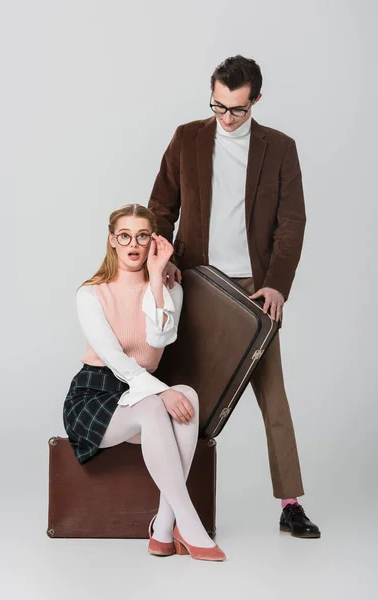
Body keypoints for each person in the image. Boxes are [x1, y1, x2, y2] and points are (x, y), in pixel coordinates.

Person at [148, 55, 320, 539]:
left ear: (256, 101)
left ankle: (290, 504)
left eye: (237, 110)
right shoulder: (187, 137)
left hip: (253, 293)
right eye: (218, 106)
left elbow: (293, 222)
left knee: (273, 396)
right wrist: (166, 263)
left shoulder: (280, 148)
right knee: (182, 391)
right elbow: (161, 206)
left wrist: (277, 285)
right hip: (195, 281)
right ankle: (175, 502)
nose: (226, 118)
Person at [62, 203, 226, 561]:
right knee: (160, 401)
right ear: (112, 241)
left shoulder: (170, 291)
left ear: (153, 242)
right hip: (95, 395)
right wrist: (159, 390)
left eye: (142, 236)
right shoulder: (90, 293)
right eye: (125, 236)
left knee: (189, 397)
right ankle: (189, 522)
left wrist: (155, 280)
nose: (133, 244)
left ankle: (164, 529)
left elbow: (156, 347)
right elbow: (115, 359)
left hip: (141, 391)